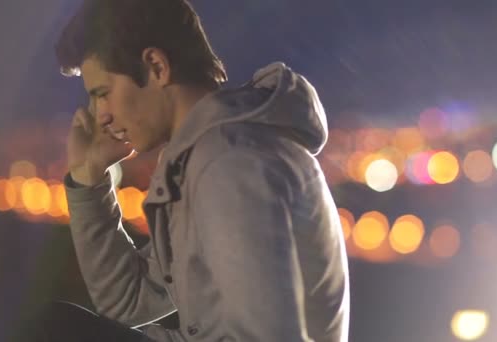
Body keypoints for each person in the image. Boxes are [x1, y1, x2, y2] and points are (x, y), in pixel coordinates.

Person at [49, 0, 350, 340]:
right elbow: (128, 302)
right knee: (61, 326)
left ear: (156, 66)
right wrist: (88, 177)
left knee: (55, 330)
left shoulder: (228, 163)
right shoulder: (203, 159)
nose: (99, 114)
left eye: (103, 94)